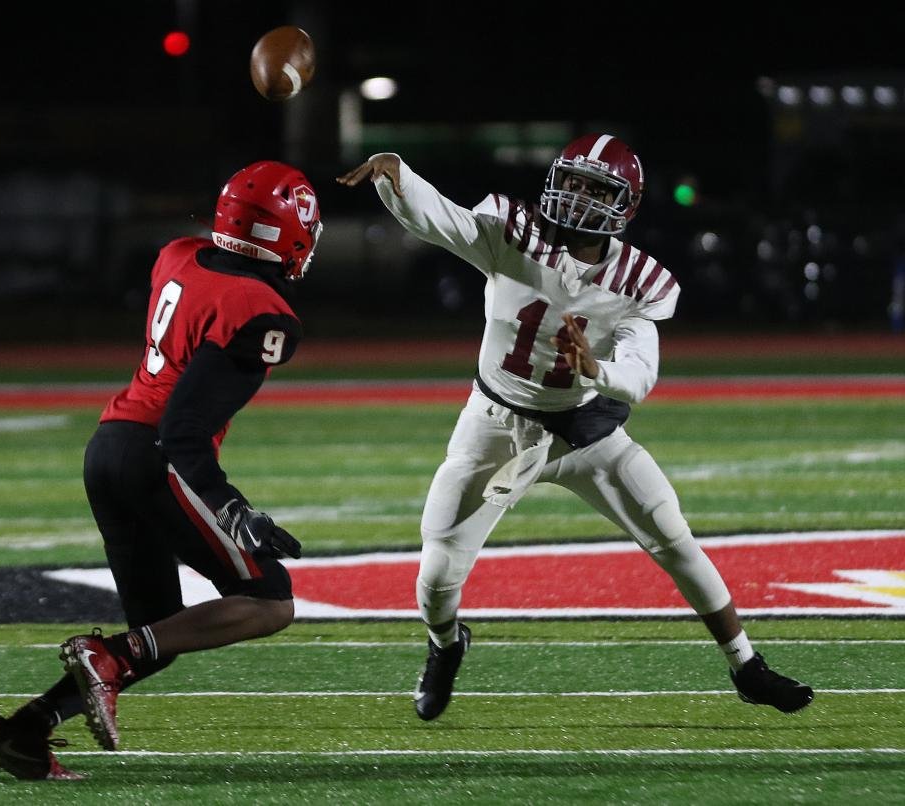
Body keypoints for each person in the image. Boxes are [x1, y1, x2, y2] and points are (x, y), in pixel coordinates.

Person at [337, 134, 813, 721]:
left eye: (596, 187)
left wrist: (599, 369)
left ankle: (747, 666)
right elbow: (444, 220)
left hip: (584, 430)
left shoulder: (640, 279)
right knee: (436, 572)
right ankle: (445, 646)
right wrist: (399, 176)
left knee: (671, 534)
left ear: (625, 204)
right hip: (496, 424)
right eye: (574, 180)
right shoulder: (512, 232)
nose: (578, 195)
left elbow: (640, 374)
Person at [0, 160, 322, 779]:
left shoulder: (178, 255)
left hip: (107, 447)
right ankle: (101, 665)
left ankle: (24, 731)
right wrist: (232, 507)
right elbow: (182, 432)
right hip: (154, 457)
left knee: (155, 635)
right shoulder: (264, 314)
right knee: (270, 601)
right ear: (291, 233)